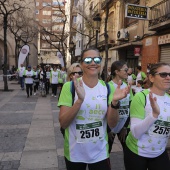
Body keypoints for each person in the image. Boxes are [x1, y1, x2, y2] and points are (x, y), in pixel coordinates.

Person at [58, 48, 131, 170]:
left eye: (97, 59)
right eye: (87, 60)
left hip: (100, 152)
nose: (93, 63)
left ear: (101, 63)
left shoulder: (107, 88)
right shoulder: (69, 87)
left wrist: (114, 103)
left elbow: (112, 124)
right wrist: (79, 101)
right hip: (74, 153)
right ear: (81, 64)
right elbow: (63, 123)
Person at [124, 62, 170, 170]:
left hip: (159, 152)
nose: (168, 77)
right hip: (137, 152)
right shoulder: (141, 97)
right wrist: (154, 115)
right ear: (151, 78)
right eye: (163, 74)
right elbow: (135, 132)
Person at [108, 61, 133, 153]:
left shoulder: (127, 86)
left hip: (124, 125)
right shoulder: (108, 87)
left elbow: (130, 107)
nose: (128, 72)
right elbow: (105, 110)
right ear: (116, 72)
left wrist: (125, 127)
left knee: (129, 151)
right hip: (110, 127)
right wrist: (108, 129)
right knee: (106, 151)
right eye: (125, 70)